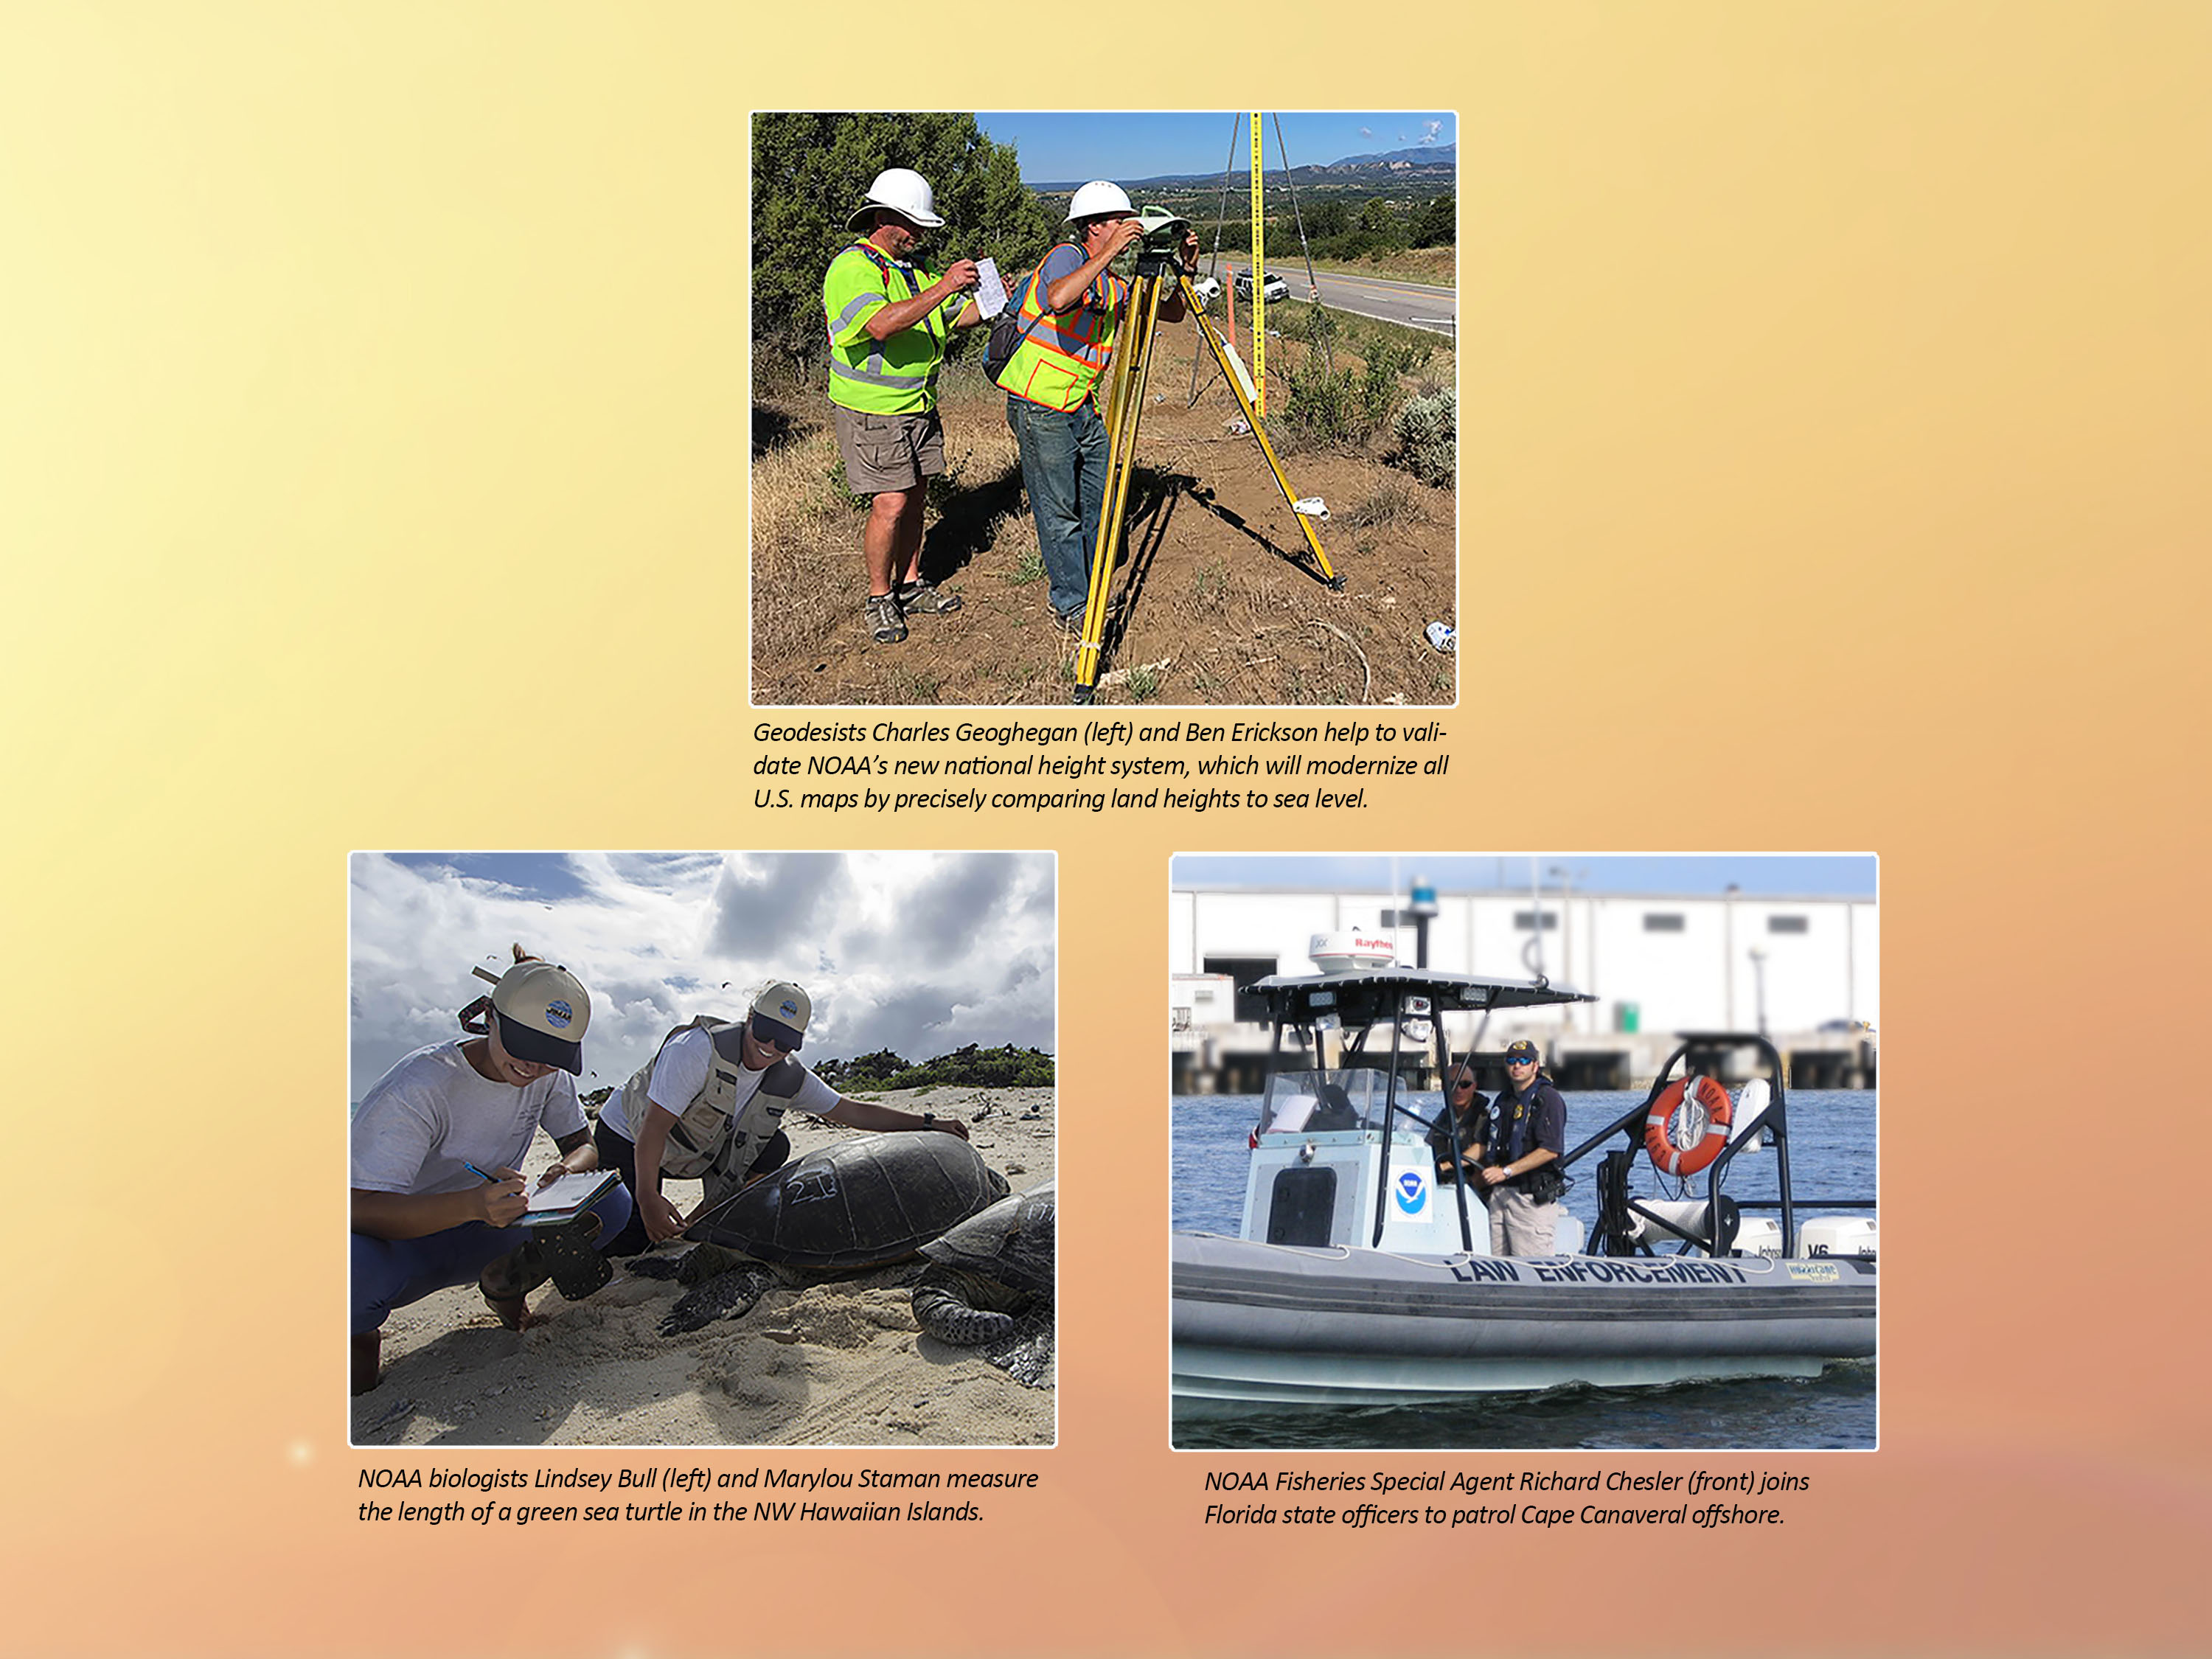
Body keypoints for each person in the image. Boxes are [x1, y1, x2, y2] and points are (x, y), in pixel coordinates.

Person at [349, 950, 634, 1394]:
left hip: (488, 1232)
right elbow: (356, 1209)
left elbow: (583, 1145)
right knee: (344, 1272)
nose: (533, 1067)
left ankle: (507, 1279)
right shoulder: (421, 1084)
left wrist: (567, 1168)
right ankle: (358, 1344)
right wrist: (469, 1204)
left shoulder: (547, 1075)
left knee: (612, 1202)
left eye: (551, 1056)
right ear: (489, 1017)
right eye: (523, 1048)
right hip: (402, 1245)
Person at [594, 980, 970, 1254]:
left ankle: (699, 1223)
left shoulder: (789, 1076)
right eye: (766, 1031)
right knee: (629, 1243)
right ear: (749, 1018)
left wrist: (928, 1123)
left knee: (774, 1146)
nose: (771, 1047)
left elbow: (852, 1111)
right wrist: (646, 1198)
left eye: (787, 1041)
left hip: (694, 1147)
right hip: (630, 1136)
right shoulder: (695, 1050)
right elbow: (653, 1128)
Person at [994, 181, 1200, 624]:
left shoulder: (1109, 282)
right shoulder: (1066, 257)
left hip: (1081, 406)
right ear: (1092, 226)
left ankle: (1091, 576)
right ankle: (1071, 602)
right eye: (1118, 221)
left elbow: (1170, 313)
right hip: (1038, 405)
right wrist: (1109, 254)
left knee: (1102, 495)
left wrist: (1187, 267)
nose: (1128, 227)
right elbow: (1060, 298)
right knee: (1059, 509)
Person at [823, 167, 986, 644]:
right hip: (873, 411)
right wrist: (945, 286)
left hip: (918, 405)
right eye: (912, 224)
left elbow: (955, 317)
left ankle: (911, 584)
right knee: (890, 503)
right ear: (884, 217)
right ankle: (880, 598)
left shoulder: (912, 272)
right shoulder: (852, 268)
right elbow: (881, 324)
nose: (918, 234)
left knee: (915, 498)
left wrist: (999, 301)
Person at [1480, 1039, 1570, 1255]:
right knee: (1497, 1268)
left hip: (1530, 1200)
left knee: (1531, 1268)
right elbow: (1485, 1143)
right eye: (1512, 1060)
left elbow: (1550, 1150)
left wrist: (1506, 1172)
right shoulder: (1504, 1099)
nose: (1517, 1066)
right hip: (1500, 1196)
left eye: (1524, 1061)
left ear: (1535, 1066)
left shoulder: (1548, 1099)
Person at [1428, 1060, 1489, 1186]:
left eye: (1465, 1084)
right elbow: (1426, 1144)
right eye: (1452, 1085)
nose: (1458, 1090)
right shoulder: (1443, 1118)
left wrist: (1445, 1166)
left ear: (1474, 1086)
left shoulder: (1484, 1117)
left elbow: (1482, 1147)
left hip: (1473, 1187)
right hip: (1443, 1184)